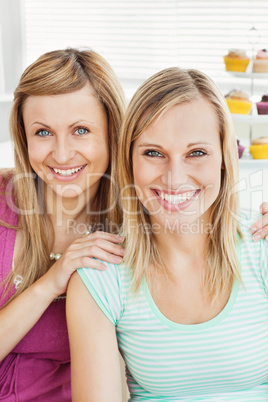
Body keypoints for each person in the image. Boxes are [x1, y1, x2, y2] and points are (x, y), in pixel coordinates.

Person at [67, 67, 268, 401]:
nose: (174, 178)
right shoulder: (101, 276)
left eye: (197, 153)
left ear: (224, 158)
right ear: (128, 161)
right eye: (153, 153)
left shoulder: (261, 248)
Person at [0, 48, 127, 401]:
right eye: (43, 133)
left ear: (112, 131)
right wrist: (50, 283)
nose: (61, 154)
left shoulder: (136, 220)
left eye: (81, 130)